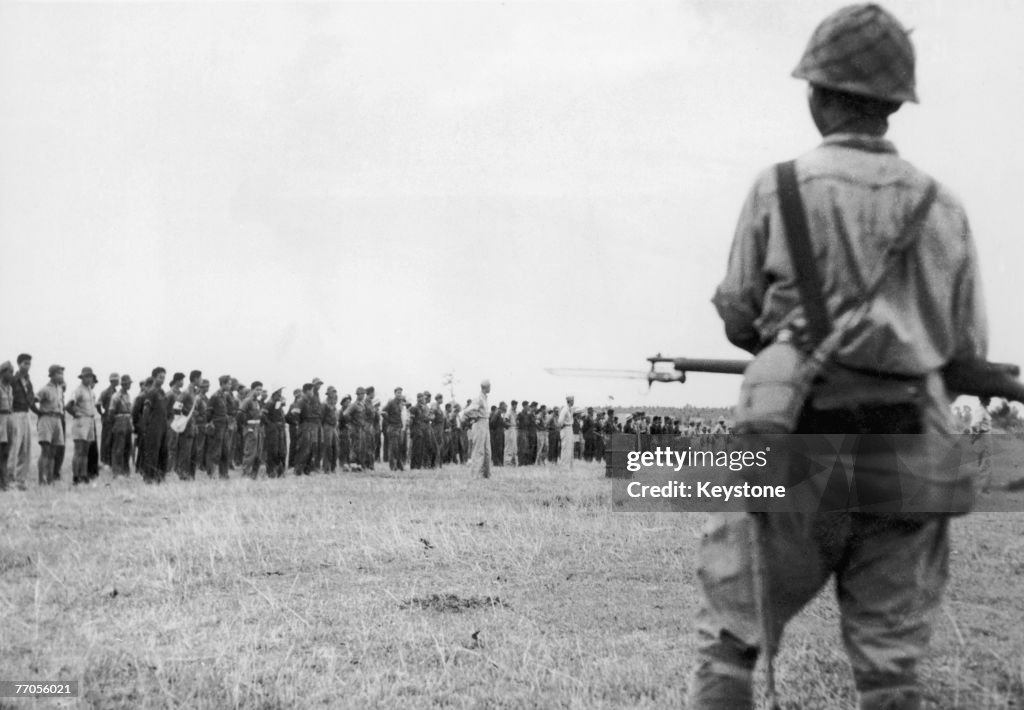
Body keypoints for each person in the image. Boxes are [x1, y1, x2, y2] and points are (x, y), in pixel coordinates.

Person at [690, 6, 988, 709]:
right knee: (891, 667)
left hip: (798, 437)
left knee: (732, 641)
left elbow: (739, 312)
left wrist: (786, 349)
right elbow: (964, 350)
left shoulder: (778, 188)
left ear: (817, 96)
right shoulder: (943, 206)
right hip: (911, 440)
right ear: (893, 104)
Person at [67, 366, 100, 485]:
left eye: (90, 376)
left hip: (90, 420)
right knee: (79, 450)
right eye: (86, 376)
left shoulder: (90, 391)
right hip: (81, 420)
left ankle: (83, 474)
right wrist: (77, 414)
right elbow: (69, 405)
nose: (89, 378)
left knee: (86, 450)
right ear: (82, 377)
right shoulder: (78, 390)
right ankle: (76, 476)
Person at [7, 354, 35, 490]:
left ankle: (20, 480)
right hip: (15, 414)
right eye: (25, 363)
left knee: (26, 448)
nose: (27, 366)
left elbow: (31, 398)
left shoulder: (28, 381)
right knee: (14, 447)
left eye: (29, 363)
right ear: (19, 364)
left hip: (26, 413)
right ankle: (9, 479)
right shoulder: (13, 380)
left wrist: (38, 412)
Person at [35, 365, 66, 485]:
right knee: (45, 451)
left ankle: (50, 478)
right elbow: (33, 400)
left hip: (57, 419)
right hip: (47, 419)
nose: (61, 376)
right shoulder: (45, 389)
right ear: (52, 375)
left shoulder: (60, 388)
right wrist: (39, 412)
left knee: (53, 452)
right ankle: (41, 480)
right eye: (59, 373)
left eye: (62, 374)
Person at [463, 379, 491, 478]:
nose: (490, 388)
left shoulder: (485, 398)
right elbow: (467, 411)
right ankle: (474, 475)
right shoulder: (478, 398)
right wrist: (475, 416)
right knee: (479, 450)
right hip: (479, 424)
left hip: (485, 423)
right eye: (489, 386)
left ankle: (486, 474)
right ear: (485, 387)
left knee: (487, 450)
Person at [108, 375, 134, 477]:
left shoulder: (128, 395)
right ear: (123, 384)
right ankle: (117, 472)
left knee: (127, 448)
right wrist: (115, 424)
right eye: (128, 383)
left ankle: (125, 471)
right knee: (119, 448)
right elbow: (111, 412)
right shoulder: (116, 396)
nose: (129, 385)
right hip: (119, 421)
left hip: (127, 421)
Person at [970, 395, 993, 494]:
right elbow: (975, 425)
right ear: (984, 399)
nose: (990, 401)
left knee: (983, 460)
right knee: (986, 461)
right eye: (989, 399)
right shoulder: (981, 410)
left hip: (984, 435)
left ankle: (983, 486)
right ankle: (981, 487)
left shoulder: (984, 410)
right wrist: (976, 436)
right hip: (983, 436)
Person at [98, 372, 119, 468]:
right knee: (107, 440)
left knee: (111, 439)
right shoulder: (107, 392)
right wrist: (101, 413)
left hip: (112, 418)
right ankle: (106, 461)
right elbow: (98, 404)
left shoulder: (114, 392)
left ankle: (109, 461)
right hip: (109, 418)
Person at [0, 361, 13, 490]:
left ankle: (4, 482)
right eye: (10, 372)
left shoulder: (10, 388)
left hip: (9, 420)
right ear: (3, 372)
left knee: (5, 453)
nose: (12, 375)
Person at [557, 396, 575, 467]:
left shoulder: (570, 409)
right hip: (566, 429)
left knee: (570, 447)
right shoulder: (565, 410)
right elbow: (560, 421)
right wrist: (562, 426)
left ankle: (569, 465)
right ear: (569, 401)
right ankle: (564, 465)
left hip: (570, 428)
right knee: (565, 447)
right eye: (572, 401)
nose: (573, 402)